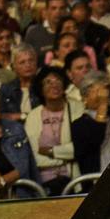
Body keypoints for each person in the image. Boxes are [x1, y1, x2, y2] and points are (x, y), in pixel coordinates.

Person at [24, 66, 82, 194]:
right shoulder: (33, 116)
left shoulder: (78, 108)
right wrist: (65, 155)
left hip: (74, 178)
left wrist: (50, 151)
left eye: (58, 80)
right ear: (41, 89)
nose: (54, 85)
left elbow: (80, 148)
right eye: (48, 82)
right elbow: (35, 156)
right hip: (43, 184)